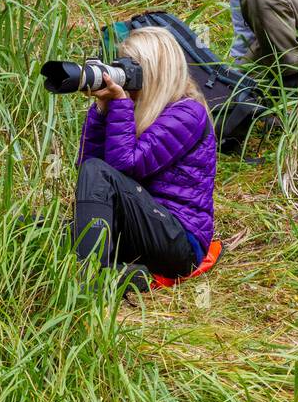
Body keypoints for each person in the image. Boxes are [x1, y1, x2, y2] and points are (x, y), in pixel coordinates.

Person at [74, 27, 217, 290]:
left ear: (156, 71)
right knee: (49, 232)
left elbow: (124, 166)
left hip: (180, 243)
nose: (126, 78)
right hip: (142, 227)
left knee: (97, 172)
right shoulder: (136, 110)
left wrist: (119, 104)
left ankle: (92, 279)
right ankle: (128, 276)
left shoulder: (188, 113)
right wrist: (101, 110)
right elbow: (88, 171)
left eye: (133, 69)